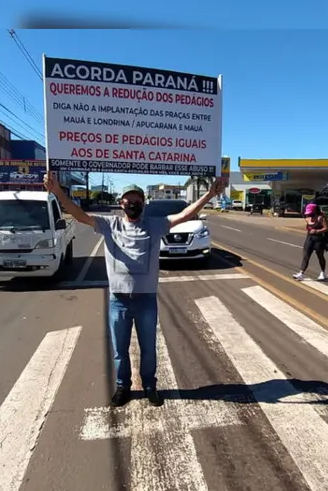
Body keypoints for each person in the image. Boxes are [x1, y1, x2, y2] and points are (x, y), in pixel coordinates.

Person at [45, 171, 226, 408]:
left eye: (137, 201)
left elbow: (185, 214)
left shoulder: (155, 225)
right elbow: (79, 215)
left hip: (146, 301)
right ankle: (123, 386)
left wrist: (210, 194)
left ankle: (150, 385)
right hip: (118, 300)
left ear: (144, 204)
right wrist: (58, 192)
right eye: (128, 201)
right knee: (120, 350)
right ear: (121, 203)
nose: (132, 205)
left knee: (148, 348)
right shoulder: (110, 225)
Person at [293, 203, 328, 281]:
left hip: (319, 240)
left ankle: (323, 272)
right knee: (306, 256)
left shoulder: (321, 218)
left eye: (310, 213)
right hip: (309, 238)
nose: (309, 215)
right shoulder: (307, 217)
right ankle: (301, 273)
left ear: (315, 211)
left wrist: (317, 231)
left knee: (320, 256)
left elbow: (326, 228)